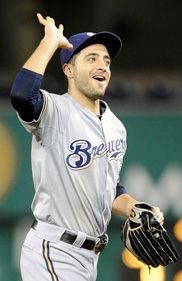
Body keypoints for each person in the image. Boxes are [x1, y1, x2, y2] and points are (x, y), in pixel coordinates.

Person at [10, 13, 164, 281]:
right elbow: (22, 95)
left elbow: (109, 188)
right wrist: (50, 42)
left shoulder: (116, 126)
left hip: (89, 257)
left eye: (106, 60)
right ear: (69, 70)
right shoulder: (55, 111)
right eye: (91, 58)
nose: (102, 65)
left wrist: (135, 207)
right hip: (54, 250)